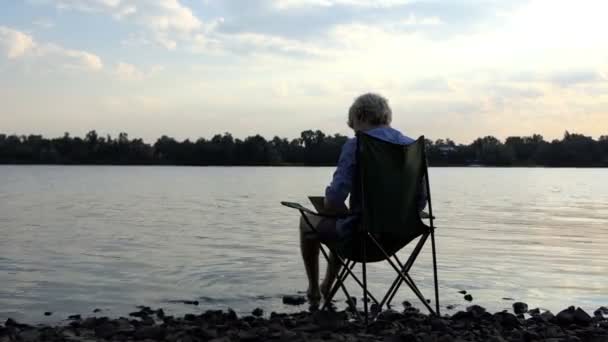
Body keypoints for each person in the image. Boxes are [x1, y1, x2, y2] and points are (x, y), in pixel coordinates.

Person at [299, 92, 427, 304]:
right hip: (399, 237)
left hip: (361, 238)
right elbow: (420, 202)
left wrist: (330, 205)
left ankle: (315, 289)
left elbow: (336, 198)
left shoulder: (356, 145)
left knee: (307, 222)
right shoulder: (413, 147)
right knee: (343, 221)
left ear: (359, 116)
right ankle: (327, 287)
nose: (355, 131)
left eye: (353, 126)